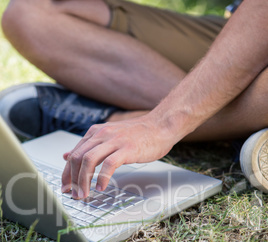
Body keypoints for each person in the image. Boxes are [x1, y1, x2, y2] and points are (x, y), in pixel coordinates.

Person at [1, 0, 268, 199]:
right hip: (242, 23)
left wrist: (160, 125)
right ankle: (243, 126)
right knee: (31, 14)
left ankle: (111, 117)